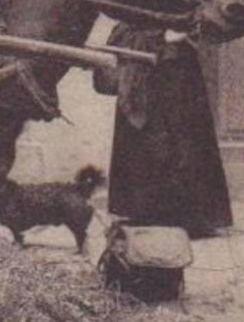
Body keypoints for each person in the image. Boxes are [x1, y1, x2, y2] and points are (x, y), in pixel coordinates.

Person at [93, 23, 234, 237]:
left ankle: (190, 218)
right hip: (143, 60)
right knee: (146, 134)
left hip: (177, 66)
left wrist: (185, 31)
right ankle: (144, 213)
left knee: (184, 136)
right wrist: (156, 36)